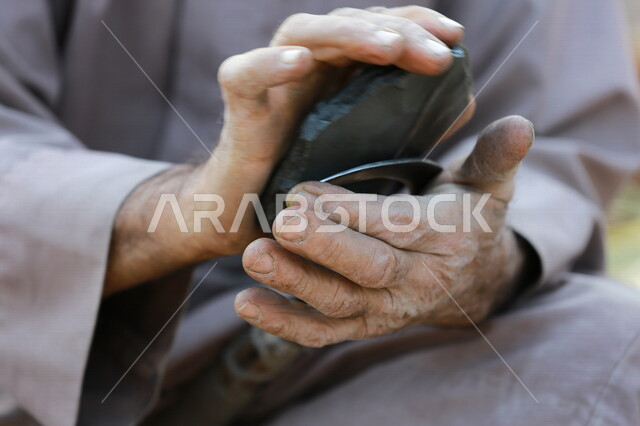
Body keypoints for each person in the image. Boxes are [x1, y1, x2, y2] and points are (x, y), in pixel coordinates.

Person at [1, 0, 639, 425]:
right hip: (34, 364)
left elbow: (555, 139)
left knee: (613, 348)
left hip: (358, 362)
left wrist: (476, 255)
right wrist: (181, 209)